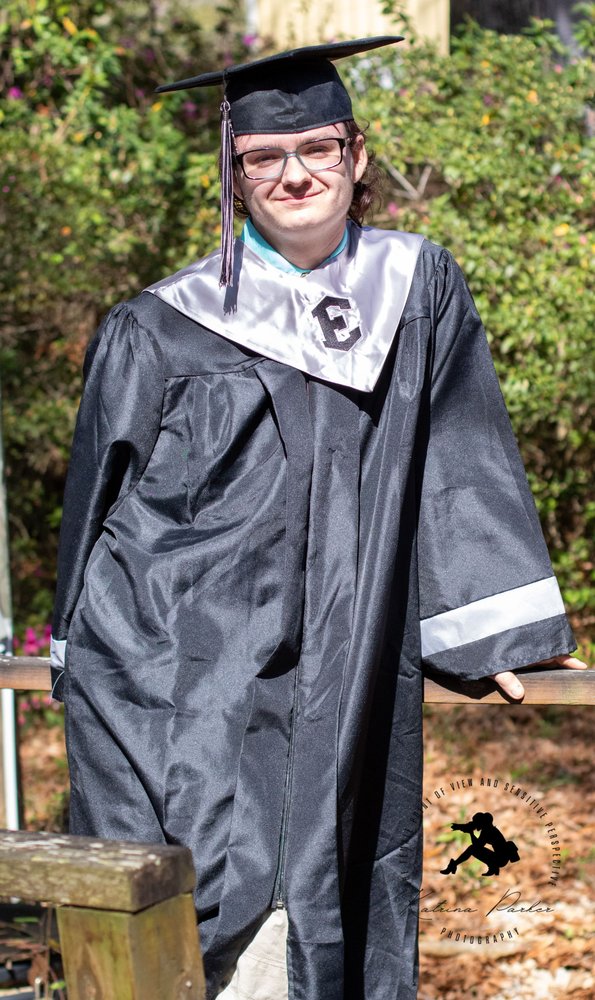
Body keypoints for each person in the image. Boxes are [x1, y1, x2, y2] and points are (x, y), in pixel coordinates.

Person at [50, 36, 586, 1000]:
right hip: (186, 664)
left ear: (356, 152)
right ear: (234, 172)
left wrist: (491, 625)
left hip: (343, 663)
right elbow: (96, 507)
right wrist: (84, 656)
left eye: (317, 148)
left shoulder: (414, 288)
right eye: (263, 156)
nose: (293, 174)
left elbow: (459, 452)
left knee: (327, 881)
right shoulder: (164, 324)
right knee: (206, 890)